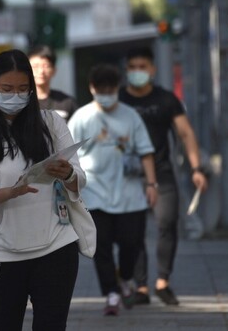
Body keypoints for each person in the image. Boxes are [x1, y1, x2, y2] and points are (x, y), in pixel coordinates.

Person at [0, 49, 86, 331]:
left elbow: (79, 177)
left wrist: (68, 173)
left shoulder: (50, 122)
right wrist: (6, 194)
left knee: (52, 324)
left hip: (55, 245)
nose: (16, 96)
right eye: (7, 89)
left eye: (23, 89)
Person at [119, 47, 208, 306]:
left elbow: (186, 133)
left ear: (153, 69)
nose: (138, 72)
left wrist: (197, 168)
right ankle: (141, 287)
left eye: (142, 66)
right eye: (133, 67)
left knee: (167, 223)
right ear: (127, 71)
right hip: (128, 175)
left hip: (162, 173)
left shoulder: (166, 99)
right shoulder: (119, 99)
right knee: (132, 232)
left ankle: (162, 282)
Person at [68, 64, 158, 316]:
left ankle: (126, 277)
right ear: (92, 89)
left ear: (117, 88)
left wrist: (152, 184)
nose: (106, 94)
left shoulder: (130, 116)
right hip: (93, 193)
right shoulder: (82, 118)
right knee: (101, 247)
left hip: (129, 194)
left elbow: (146, 152)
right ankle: (111, 292)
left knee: (131, 243)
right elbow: (68, 155)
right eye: (101, 89)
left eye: (110, 89)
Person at [28, 45, 78, 121]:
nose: (41, 71)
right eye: (35, 66)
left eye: (46, 66)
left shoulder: (67, 103)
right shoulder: (22, 104)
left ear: (54, 70)